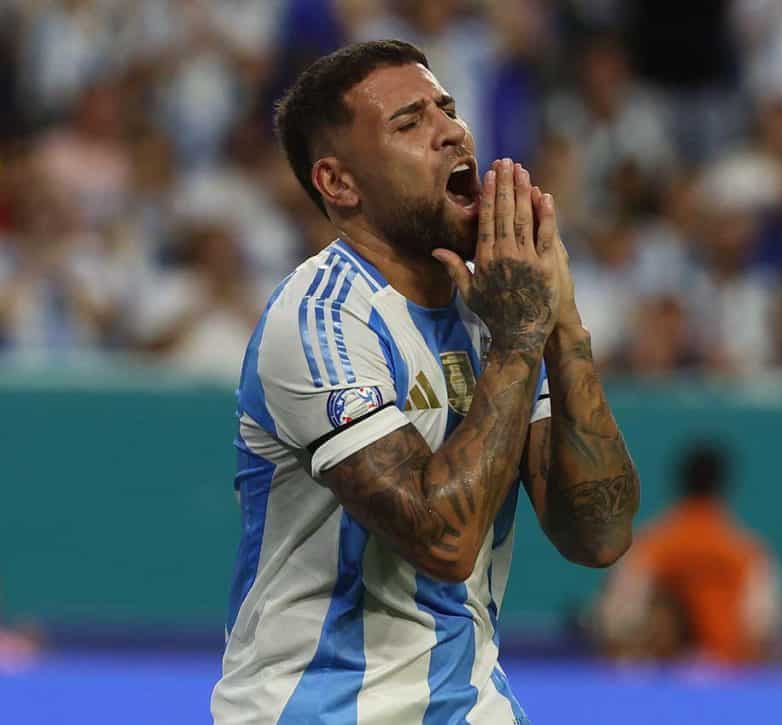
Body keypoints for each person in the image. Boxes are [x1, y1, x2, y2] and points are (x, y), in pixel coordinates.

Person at [210, 40, 639, 724]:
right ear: (339, 183)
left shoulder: (496, 306)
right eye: (409, 123)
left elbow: (599, 535)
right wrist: (520, 337)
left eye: (447, 108)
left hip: (472, 705)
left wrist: (561, 324)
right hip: (319, 709)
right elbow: (442, 540)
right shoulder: (321, 318)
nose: (451, 132)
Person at [596, 442, 782, 666]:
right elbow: (762, 627)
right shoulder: (747, 552)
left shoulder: (650, 546)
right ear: (723, 485)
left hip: (658, 675)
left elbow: (619, 620)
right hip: (730, 675)